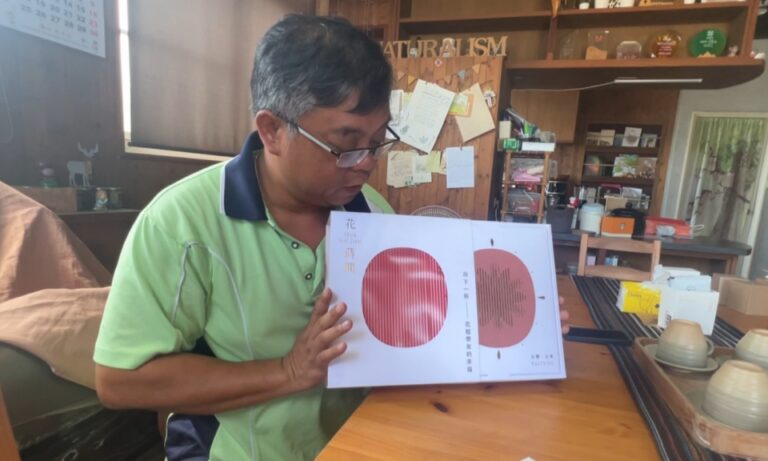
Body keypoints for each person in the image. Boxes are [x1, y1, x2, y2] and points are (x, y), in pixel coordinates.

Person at [94, 14, 569, 461]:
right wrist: (289, 372)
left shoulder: (374, 215)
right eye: (345, 143)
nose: (366, 163)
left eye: (377, 141)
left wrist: (502, 318)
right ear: (272, 130)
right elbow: (119, 380)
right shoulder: (181, 225)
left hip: (362, 445)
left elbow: (416, 335)